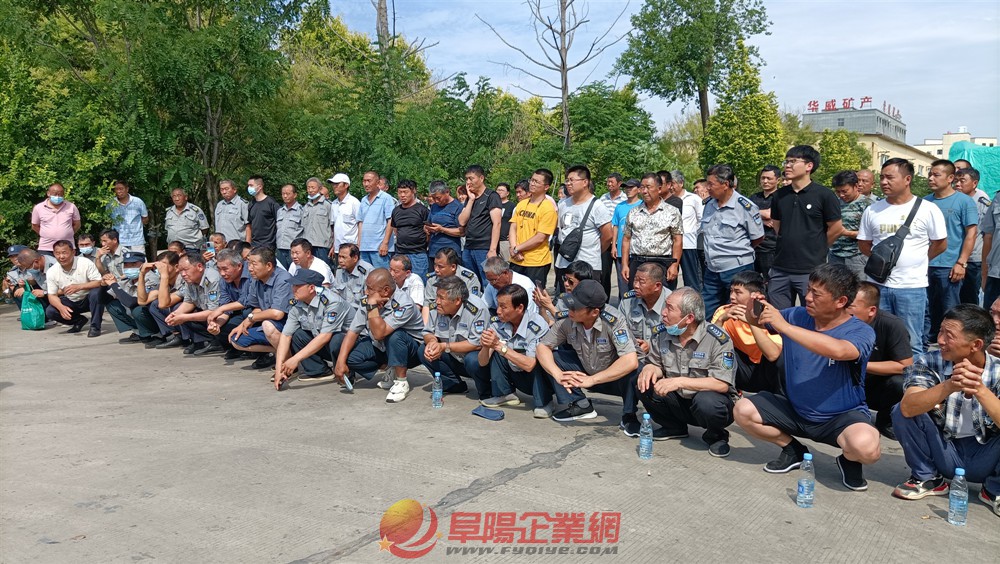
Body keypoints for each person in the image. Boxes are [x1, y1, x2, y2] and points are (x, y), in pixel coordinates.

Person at [734, 264, 879, 491]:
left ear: (840, 301)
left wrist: (785, 327)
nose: (807, 297)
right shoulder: (797, 315)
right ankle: (794, 450)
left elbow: (840, 350)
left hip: (839, 418)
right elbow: (760, 320)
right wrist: (754, 311)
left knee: (867, 449)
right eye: (808, 289)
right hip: (794, 408)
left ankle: (849, 460)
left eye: (816, 294)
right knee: (742, 410)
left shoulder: (860, 331)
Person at [890, 304, 1000, 519]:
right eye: (940, 331)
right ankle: (927, 477)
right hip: (944, 451)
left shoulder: (997, 371)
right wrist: (949, 386)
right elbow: (908, 407)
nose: (939, 340)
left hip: (986, 457)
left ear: (976, 345)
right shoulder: (928, 361)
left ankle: (994, 489)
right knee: (900, 410)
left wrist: (979, 389)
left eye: (948, 336)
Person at [858, 158, 948, 355]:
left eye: (890, 177)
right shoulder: (872, 210)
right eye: (882, 177)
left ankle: (913, 375)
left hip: (912, 287)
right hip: (878, 285)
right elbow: (864, 244)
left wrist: (918, 261)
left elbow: (940, 244)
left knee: (912, 341)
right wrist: (883, 263)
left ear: (907, 179)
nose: (884, 182)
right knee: (877, 340)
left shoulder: (928, 209)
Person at [637, 288, 738, 456]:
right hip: (677, 399)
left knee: (708, 402)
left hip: (707, 401)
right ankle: (674, 427)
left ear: (689, 318)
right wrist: (650, 368)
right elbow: (656, 364)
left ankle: (716, 435)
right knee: (643, 381)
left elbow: (721, 384)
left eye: (669, 308)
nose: (663, 313)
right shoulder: (662, 332)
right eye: (665, 306)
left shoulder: (717, 339)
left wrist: (678, 381)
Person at [535, 280, 639, 429]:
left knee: (636, 369)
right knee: (555, 358)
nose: (570, 309)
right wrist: (557, 374)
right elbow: (543, 347)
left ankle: (629, 415)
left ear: (594, 312)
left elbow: (630, 360)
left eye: (575, 307)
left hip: (614, 378)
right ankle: (580, 404)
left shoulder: (614, 321)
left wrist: (592, 380)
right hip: (586, 370)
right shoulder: (568, 320)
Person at [768, 146, 844, 310]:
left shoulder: (824, 195)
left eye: (793, 161)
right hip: (780, 267)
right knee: (779, 316)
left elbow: (836, 228)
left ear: (809, 166)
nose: (788, 166)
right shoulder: (779, 196)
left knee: (812, 315)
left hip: (810, 269)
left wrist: (818, 246)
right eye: (786, 162)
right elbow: (777, 226)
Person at [336, 268, 425, 403]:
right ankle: (391, 367)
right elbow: (353, 331)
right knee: (351, 358)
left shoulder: (404, 303)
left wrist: (372, 307)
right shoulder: (368, 300)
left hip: (410, 350)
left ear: (386, 290)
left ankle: (401, 382)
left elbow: (379, 333)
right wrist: (340, 362)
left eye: (370, 289)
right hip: (382, 346)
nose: (366, 292)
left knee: (395, 336)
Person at [847, 282, 913, 439]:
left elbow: (905, 365)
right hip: (845, 382)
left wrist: (862, 364)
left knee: (899, 383)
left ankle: (886, 421)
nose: (845, 309)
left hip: (875, 385)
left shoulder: (891, 325)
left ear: (871, 310)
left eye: (851, 306)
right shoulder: (836, 319)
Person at [924, 160, 978, 347]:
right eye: (930, 174)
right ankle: (928, 345)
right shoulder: (924, 202)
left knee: (950, 311)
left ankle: (951, 347)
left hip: (949, 266)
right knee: (927, 309)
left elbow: (971, 233)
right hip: (924, 265)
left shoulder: (964, 201)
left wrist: (961, 262)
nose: (931, 178)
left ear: (950, 178)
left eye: (936, 175)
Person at [700, 164, 764, 319]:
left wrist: (737, 251)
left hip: (737, 269)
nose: (707, 188)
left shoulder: (745, 206)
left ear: (725, 184)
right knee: (707, 313)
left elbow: (758, 237)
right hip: (712, 270)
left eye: (711, 184)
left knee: (738, 314)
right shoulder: (709, 204)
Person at [478, 285, 554, 415]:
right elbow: (482, 362)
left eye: (503, 307)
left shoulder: (537, 325)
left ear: (519, 308)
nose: (498, 311)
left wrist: (498, 345)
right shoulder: (497, 323)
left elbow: (530, 365)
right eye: (498, 305)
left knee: (538, 359)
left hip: (537, 377)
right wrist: (486, 345)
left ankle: (544, 401)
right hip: (516, 373)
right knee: (497, 351)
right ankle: (505, 394)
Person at [272, 268, 352, 388]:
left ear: (311, 288)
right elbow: (286, 335)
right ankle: (319, 370)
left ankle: (346, 371)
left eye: (297, 286)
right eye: (293, 285)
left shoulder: (332, 302)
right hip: (325, 343)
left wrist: (295, 359)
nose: (293, 289)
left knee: (337, 339)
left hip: (349, 346)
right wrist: (279, 370)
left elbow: (325, 336)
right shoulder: (297, 303)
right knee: (298, 335)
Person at [709, 270, 783, 394]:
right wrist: (721, 320)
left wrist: (751, 322)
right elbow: (709, 345)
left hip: (767, 370)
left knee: (780, 359)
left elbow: (773, 355)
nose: (732, 296)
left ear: (755, 295)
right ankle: (730, 391)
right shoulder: (724, 312)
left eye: (738, 292)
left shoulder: (769, 315)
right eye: (731, 291)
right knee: (723, 351)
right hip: (743, 368)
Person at [420, 275, 490, 397]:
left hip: (475, 360)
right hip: (453, 356)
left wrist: (444, 346)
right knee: (424, 350)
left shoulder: (477, 309)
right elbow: (427, 332)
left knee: (472, 359)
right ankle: (453, 384)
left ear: (457, 300)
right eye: (437, 296)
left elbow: (477, 344)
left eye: (442, 298)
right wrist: (432, 342)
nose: (437, 301)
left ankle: (487, 390)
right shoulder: (437, 308)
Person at [227, 247, 293, 370]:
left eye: (254, 264)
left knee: (268, 326)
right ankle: (281, 351)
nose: (250, 268)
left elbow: (277, 313)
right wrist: (243, 324)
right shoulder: (256, 280)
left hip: (287, 325)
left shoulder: (283, 279)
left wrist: (251, 318)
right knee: (236, 339)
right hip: (270, 326)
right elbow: (257, 308)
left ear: (268, 266)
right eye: (248, 264)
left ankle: (288, 363)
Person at [554, 165, 612, 295]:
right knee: (565, 301)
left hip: (587, 265)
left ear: (585, 182)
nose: (568, 184)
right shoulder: (563, 204)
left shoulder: (597, 206)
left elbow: (608, 235)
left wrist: (594, 250)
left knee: (586, 301)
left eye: (572, 180)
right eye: (567, 180)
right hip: (564, 263)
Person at [621, 173, 683, 291]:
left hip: (661, 264)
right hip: (637, 263)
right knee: (636, 297)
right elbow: (626, 239)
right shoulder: (633, 212)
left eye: (648, 187)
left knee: (663, 298)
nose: (644, 191)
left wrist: (674, 265)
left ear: (659, 189)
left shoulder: (672, 212)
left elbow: (677, 240)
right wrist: (624, 265)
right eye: (642, 187)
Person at [162, 253, 224, 355]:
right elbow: (189, 301)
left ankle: (217, 342)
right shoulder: (190, 280)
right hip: (206, 310)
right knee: (178, 311)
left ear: (199, 267)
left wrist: (184, 317)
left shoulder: (212, 279)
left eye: (186, 269)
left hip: (221, 314)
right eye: (181, 271)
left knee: (186, 317)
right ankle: (201, 341)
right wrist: (175, 314)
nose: (183, 274)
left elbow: (213, 311)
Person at [43, 239, 106, 336]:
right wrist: (61, 308)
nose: (61, 256)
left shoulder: (85, 263)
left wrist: (79, 287)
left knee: (96, 293)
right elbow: (52, 295)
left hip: (88, 299)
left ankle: (95, 326)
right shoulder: (52, 271)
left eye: (64, 253)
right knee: (50, 311)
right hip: (71, 301)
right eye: (57, 253)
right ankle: (78, 320)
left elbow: (99, 282)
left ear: (73, 252)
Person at [508, 169, 558, 287]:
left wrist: (517, 249)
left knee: (534, 294)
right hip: (516, 259)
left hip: (536, 262)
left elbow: (540, 237)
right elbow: (513, 227)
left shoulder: (548, 208)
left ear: (546, 187)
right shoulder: (522, 204)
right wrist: (513, 248)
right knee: (513, 294)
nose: (532, 183)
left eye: (536, 181)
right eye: (532, 180)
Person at [619, 262, 672, 363]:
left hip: (664, 360)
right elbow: (619, 331)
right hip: (634, 358)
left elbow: (678, 341)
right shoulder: (628, 301)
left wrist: (650, 346)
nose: (636, 285)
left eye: (641, 282)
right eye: (635, 280)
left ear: (657, 286)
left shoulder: (672, 304)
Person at [205, 249, 253, 360]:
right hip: (238, 313)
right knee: (220, 324)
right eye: (219, 269)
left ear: (239, 266)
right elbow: (225, 306)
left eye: (225, 269)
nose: (222, 273)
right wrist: (216, 325)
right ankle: (236, 348)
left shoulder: (252, 274)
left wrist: (222, 308)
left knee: (248, 312)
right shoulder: (224, 281)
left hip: (256, 311)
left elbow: (249, 300)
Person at [458, 165, 502, 284]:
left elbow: (497, 223)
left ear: (481, 178)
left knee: (487, 281)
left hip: (484, 247)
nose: (468, 182)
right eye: (466, 179)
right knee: (470, 281)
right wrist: (471, 200)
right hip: (468, 246)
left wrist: (492, 249)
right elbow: (462, 221)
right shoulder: (470, 198)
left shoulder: (491, 196)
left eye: (471, 178)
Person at [135, 251, 185, 349]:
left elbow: (163, 304)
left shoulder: (184, 280)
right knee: (151, 305)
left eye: (164, 266)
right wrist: (142, 274)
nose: (160, 269)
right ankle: (174, 335)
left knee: (174, 306)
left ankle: (186, 337)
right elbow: (142, 301)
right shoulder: (164, 281)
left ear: (176, 267)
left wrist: (164, 276)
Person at [103, 251, 154, 343]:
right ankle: (138, 332)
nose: (129, 268)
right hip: (142, 317)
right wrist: (103, 285)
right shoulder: (129, 279)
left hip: (156, 318)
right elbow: (104, 299)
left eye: (133, 264)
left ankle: (153, 334)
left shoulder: (150, 278)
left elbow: (132, 302)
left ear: (143, 264)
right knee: (112, 305)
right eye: (126, 265)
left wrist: (114, 284)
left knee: (138, 309)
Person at [955, 168, 990, 305]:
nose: (958, 184)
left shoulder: (982, 203)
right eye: (956, 181)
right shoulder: (953, 199)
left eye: (962, 181)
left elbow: (987, 233)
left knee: (969, 299)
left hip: (973, 260)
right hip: (953, 257)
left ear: (974, 183)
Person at [828, 170, 871, 278]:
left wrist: (845, 232)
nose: (841, 195)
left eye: (845, 191)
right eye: (838, 191)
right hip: (835, 255)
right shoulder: (834, 203)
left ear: (855, 186)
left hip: (857, 257)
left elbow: (871, 235)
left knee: (859, 287)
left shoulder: (868, 205)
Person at [388, 179, 430, 281]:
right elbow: (395, 230)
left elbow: (428, 232)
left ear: (413, 191)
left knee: (419, 281)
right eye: (400, 192)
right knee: (399, 282)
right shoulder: (396, 211)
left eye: (405, 192)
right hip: (400, 253)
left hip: (418, 254)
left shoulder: (422, 210)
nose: (402, 195)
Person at [424, 248, 482, 317]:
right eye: (435, 265)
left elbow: (473, 304)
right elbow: (427, 306)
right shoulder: (432, 279)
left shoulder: (469, 279)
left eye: (440, 267)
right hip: (439, 317)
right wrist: (426, 323)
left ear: (453, 267)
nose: (436, 270)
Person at [534, 260, 594, 327]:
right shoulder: (564, 299)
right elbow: (549, 322)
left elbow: (570, 326)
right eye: (565, 279)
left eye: (570, 281)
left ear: (583, 283)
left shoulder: (589, 302)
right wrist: (542, 307)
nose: (566, 284)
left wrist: (549, 306)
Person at [671, 170, 703, 293]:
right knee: (670, 277)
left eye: (673, 183)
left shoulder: (693, 199)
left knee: (691, 279)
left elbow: (701, 220)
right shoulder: (666, 200)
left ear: (681, 183)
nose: (671, 187)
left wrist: (691, 233)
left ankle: (694, 301)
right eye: (669, 184)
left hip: (688, 245)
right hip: (671, 245)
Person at [610, 179, 643, 297]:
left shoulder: (642, 205)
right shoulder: (620, 206)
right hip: (621, 250)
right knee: (622, 282)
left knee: (637, 281)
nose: (628, 190)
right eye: (626, 188)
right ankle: (624, 304)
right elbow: (615, 226)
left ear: (639, 190)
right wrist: (614, 246)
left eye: (631, 187)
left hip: (636, 251)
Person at [358, 170, 396, 270]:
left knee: (381, 276)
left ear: (378, 182)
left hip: (379, 248)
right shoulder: (363, 200)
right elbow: (361, 223)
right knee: (366, 276)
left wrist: (385, 243)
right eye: (364, 181)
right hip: (364, 248)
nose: (366, 184)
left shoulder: (386, 198)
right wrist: (359, 243)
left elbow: (391, 221)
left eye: (369, 181)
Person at [749, 166, 780, 279]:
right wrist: (761, 220)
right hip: (753, 246)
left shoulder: (782, 197)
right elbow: (743, 214)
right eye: (763, 178)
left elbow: (769, 214)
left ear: (778, 180)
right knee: (750, 282)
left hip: (772, 247)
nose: (765, 181)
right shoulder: (754, 197)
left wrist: (753, 212)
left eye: (769, 178)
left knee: (771, 281)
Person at [32, 184, 81, 255]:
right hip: (46, 247)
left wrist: (67, 233)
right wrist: (46, 234)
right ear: (48, 193)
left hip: (67, 247)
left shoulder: (71, 207)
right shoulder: (38, 208)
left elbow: (77, 224)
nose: (57, 197)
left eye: (60, 195)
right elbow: (35, 226)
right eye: (55, 194)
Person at [425, 180, 464, 267]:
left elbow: (462, 232)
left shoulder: (458, 207)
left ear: (447, 192)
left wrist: (442, 229)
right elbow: (429, 222)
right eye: (433, 198)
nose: (436, 201)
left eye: (438, 198)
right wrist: (427, 228)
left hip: (450, 253)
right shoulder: (434, 206)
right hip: (434, 251)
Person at [333, 243, 373, 321]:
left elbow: (370, 299)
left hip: (362, 315)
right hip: (343, 313)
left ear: (355, 258)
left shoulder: (367, 271)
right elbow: (335, 294)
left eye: (344, 257)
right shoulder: (339, 271)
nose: (340, 261)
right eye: (339, 257)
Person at [328, 173, 361, 265]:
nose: (334, 186)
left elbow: (360, 224)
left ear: (346, 185)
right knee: (339, 272)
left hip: (351, 249)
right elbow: (334, 227)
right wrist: (334, 245)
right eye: (333, 184)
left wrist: (359, 245)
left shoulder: (354, 203)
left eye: (337, 184)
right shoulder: (334, 204)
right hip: (338, 249)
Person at [108, 180, 148, 252]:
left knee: (139, 259)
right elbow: (108, 219)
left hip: (136, 240)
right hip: (119, 241)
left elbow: (145, 218)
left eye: (121, 189)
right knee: (120, 259)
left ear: (127, 189)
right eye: (116, 189)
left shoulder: (138, 201)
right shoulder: (111, 204)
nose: (119, 191)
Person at [301, 177, 332, 265]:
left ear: (320, 188)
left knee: (323, 269)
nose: (310, 190)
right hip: (308, 246)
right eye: (308, 188)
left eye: (313, 187)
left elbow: (333, 226)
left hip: (322, 246)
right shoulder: (306, 207)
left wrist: (333, 245)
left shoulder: (327, 205)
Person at [246, 175, 280, 250]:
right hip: (254, 244)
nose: (249, 188)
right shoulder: (251, 204)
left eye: (251, 185)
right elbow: (249, 225)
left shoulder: (271, 203)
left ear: (260, 187)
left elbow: (279, 223)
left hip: (268, 244)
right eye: (248, 185)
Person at [274, 183, 303, 268]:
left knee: (295, 272)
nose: (285, 196)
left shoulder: (301, 210)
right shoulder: (280, 211)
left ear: (295, 195)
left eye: (288, 194)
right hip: (280, 248)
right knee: (281, 273)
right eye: (283, 194)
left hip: (294, 250)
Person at [214, 179, 249, 243]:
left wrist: (247, 245)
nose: (224, 192)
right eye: (222, 190)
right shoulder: (219, 205)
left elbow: (248, 226)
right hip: (221, 244)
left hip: (236, 244)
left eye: (226, 189)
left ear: (234, 190)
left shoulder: (242, 204)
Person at [496, 182, 517, 261]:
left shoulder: (512, 206)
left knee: (507, 264)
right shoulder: (492, 204)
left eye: (502, 190)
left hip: (505, 241)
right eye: (498, 190)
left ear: (507, 193)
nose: (499, 192)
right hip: (492, 240)